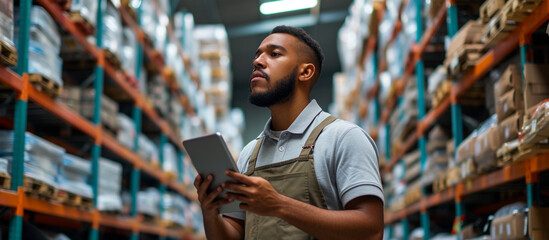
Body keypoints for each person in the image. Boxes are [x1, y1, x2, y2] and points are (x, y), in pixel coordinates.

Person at [194, 25, 384, 240]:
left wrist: (278, 205)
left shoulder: (343, 138)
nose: (258, 61)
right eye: (257, 55)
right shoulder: (249, 155)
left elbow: (371, 230)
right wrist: (209, 213)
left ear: (305, 72)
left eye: (274, 54)